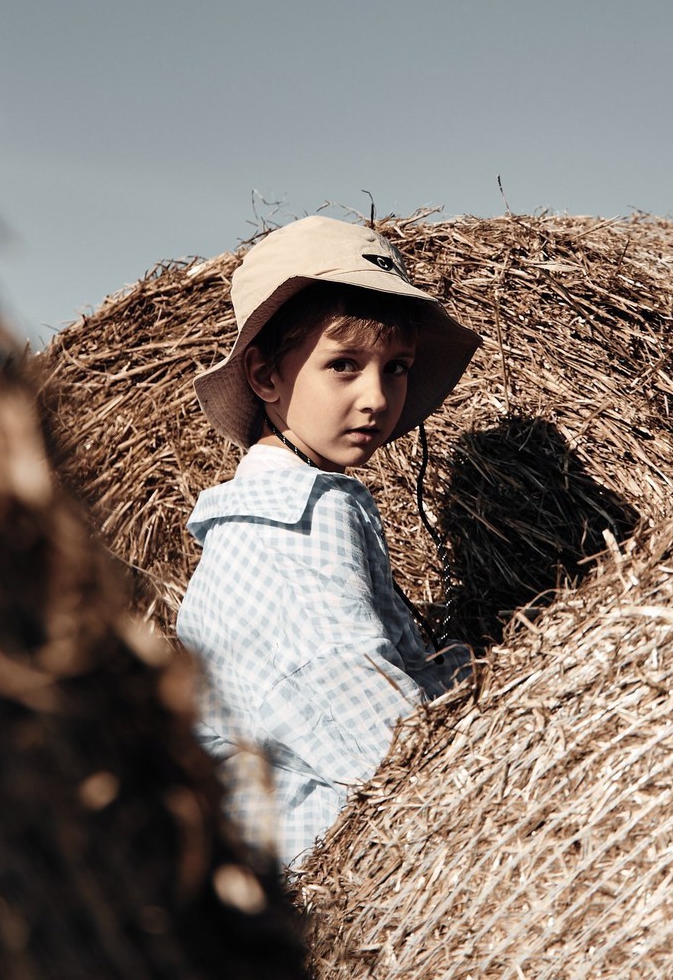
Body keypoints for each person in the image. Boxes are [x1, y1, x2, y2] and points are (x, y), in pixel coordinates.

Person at [176, 216, 481, 869]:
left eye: (396, 368)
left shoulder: (291, 518)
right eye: (343, 366)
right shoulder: (289, 537)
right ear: (263, 376)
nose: (377, 397)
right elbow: (400, 763)